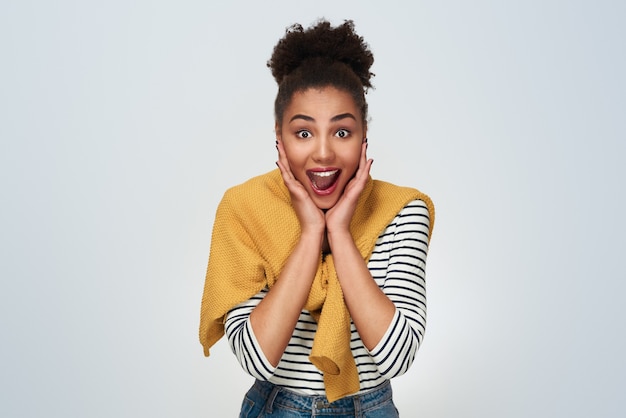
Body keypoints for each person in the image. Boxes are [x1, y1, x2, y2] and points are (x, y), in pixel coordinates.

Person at [199, 19, 435, 417]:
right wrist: (311, 233)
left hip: (371, 407)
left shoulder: (403, 210)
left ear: (363, 135)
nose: (323, 153)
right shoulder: (244, 208)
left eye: (341, 132)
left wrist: (339, 233)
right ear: (279, 136)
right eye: (304, 133)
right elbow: (257, 359)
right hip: (278, 407)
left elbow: (397, 357)